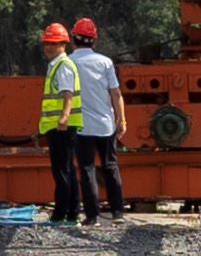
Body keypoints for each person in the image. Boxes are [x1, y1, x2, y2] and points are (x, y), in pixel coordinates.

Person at [70, 21, 130, 221]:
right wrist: (121, 119)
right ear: (94, 40)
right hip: (106, 125)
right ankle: (117, 212)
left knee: (87, 168)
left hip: (81, 126)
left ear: (73, 39)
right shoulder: (105, 62)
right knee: (110, 165)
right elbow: (116, 93)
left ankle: (92, 216)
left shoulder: (68, 63)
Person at [35, 21, 88, 223]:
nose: (48, 47)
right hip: (59, 125)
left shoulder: (63, 65)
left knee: (62, 171)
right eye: (47, 43)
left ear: (63, 45)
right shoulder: (57, 65)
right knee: (67, 169)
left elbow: (67, 93)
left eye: (53, 43)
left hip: (62, 126)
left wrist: (64, 117)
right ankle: (71, 212)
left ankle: (61, 213)